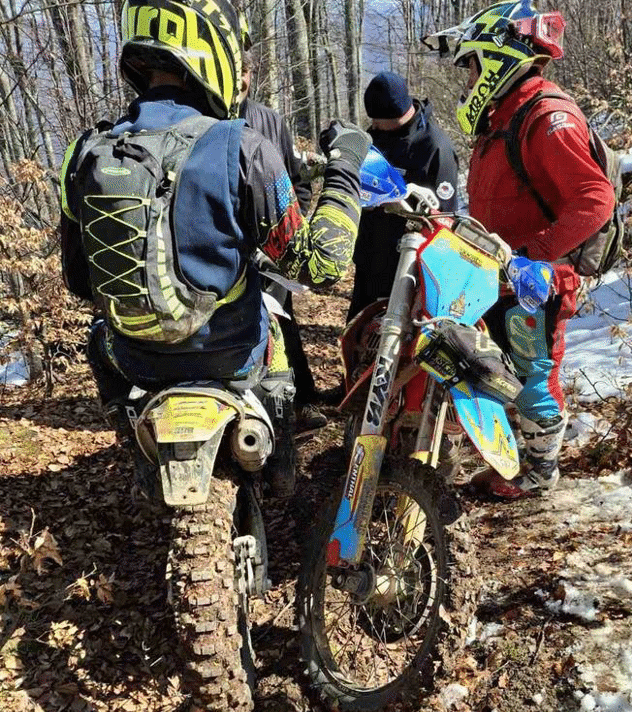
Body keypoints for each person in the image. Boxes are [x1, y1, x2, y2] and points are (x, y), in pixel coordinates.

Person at [59, 0, 370, 498]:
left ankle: (137, 452)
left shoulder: (85, 152)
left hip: (134, 358)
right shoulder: (243, 146)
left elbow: (78, 279)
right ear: (213, 50)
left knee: (100, 337)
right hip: (229, 351)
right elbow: (322, 264)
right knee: (277, 340)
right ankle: (281, 471)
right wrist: (345, 170)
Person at [424, 1, 615, 498]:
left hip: (537, 279)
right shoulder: (505, 115)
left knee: (533, 373)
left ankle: (539, 473)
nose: (467, 78)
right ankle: (513, 456)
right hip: (499, 271)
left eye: (471, 65)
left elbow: (595, 201)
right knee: (496, 365)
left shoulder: (546, 117)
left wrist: (537, 254)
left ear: (496, 57)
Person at [238, 49, 327, 433]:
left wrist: (293, 222)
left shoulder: (270, 120)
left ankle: (302, 403)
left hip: (274, 247)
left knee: (282, 322)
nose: (242, 79)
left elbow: (297, 180)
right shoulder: (204, 118)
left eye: (247, 71)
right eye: (236, 70)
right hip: (231, 251)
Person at [347, 71, 459, 322]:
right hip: (369, 259)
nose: (373, 125)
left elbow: (444, 220)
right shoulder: (375, 137)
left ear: (396, 113)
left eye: (378, 120)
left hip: (407, 268)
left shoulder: (435, 147)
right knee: (358, 339)